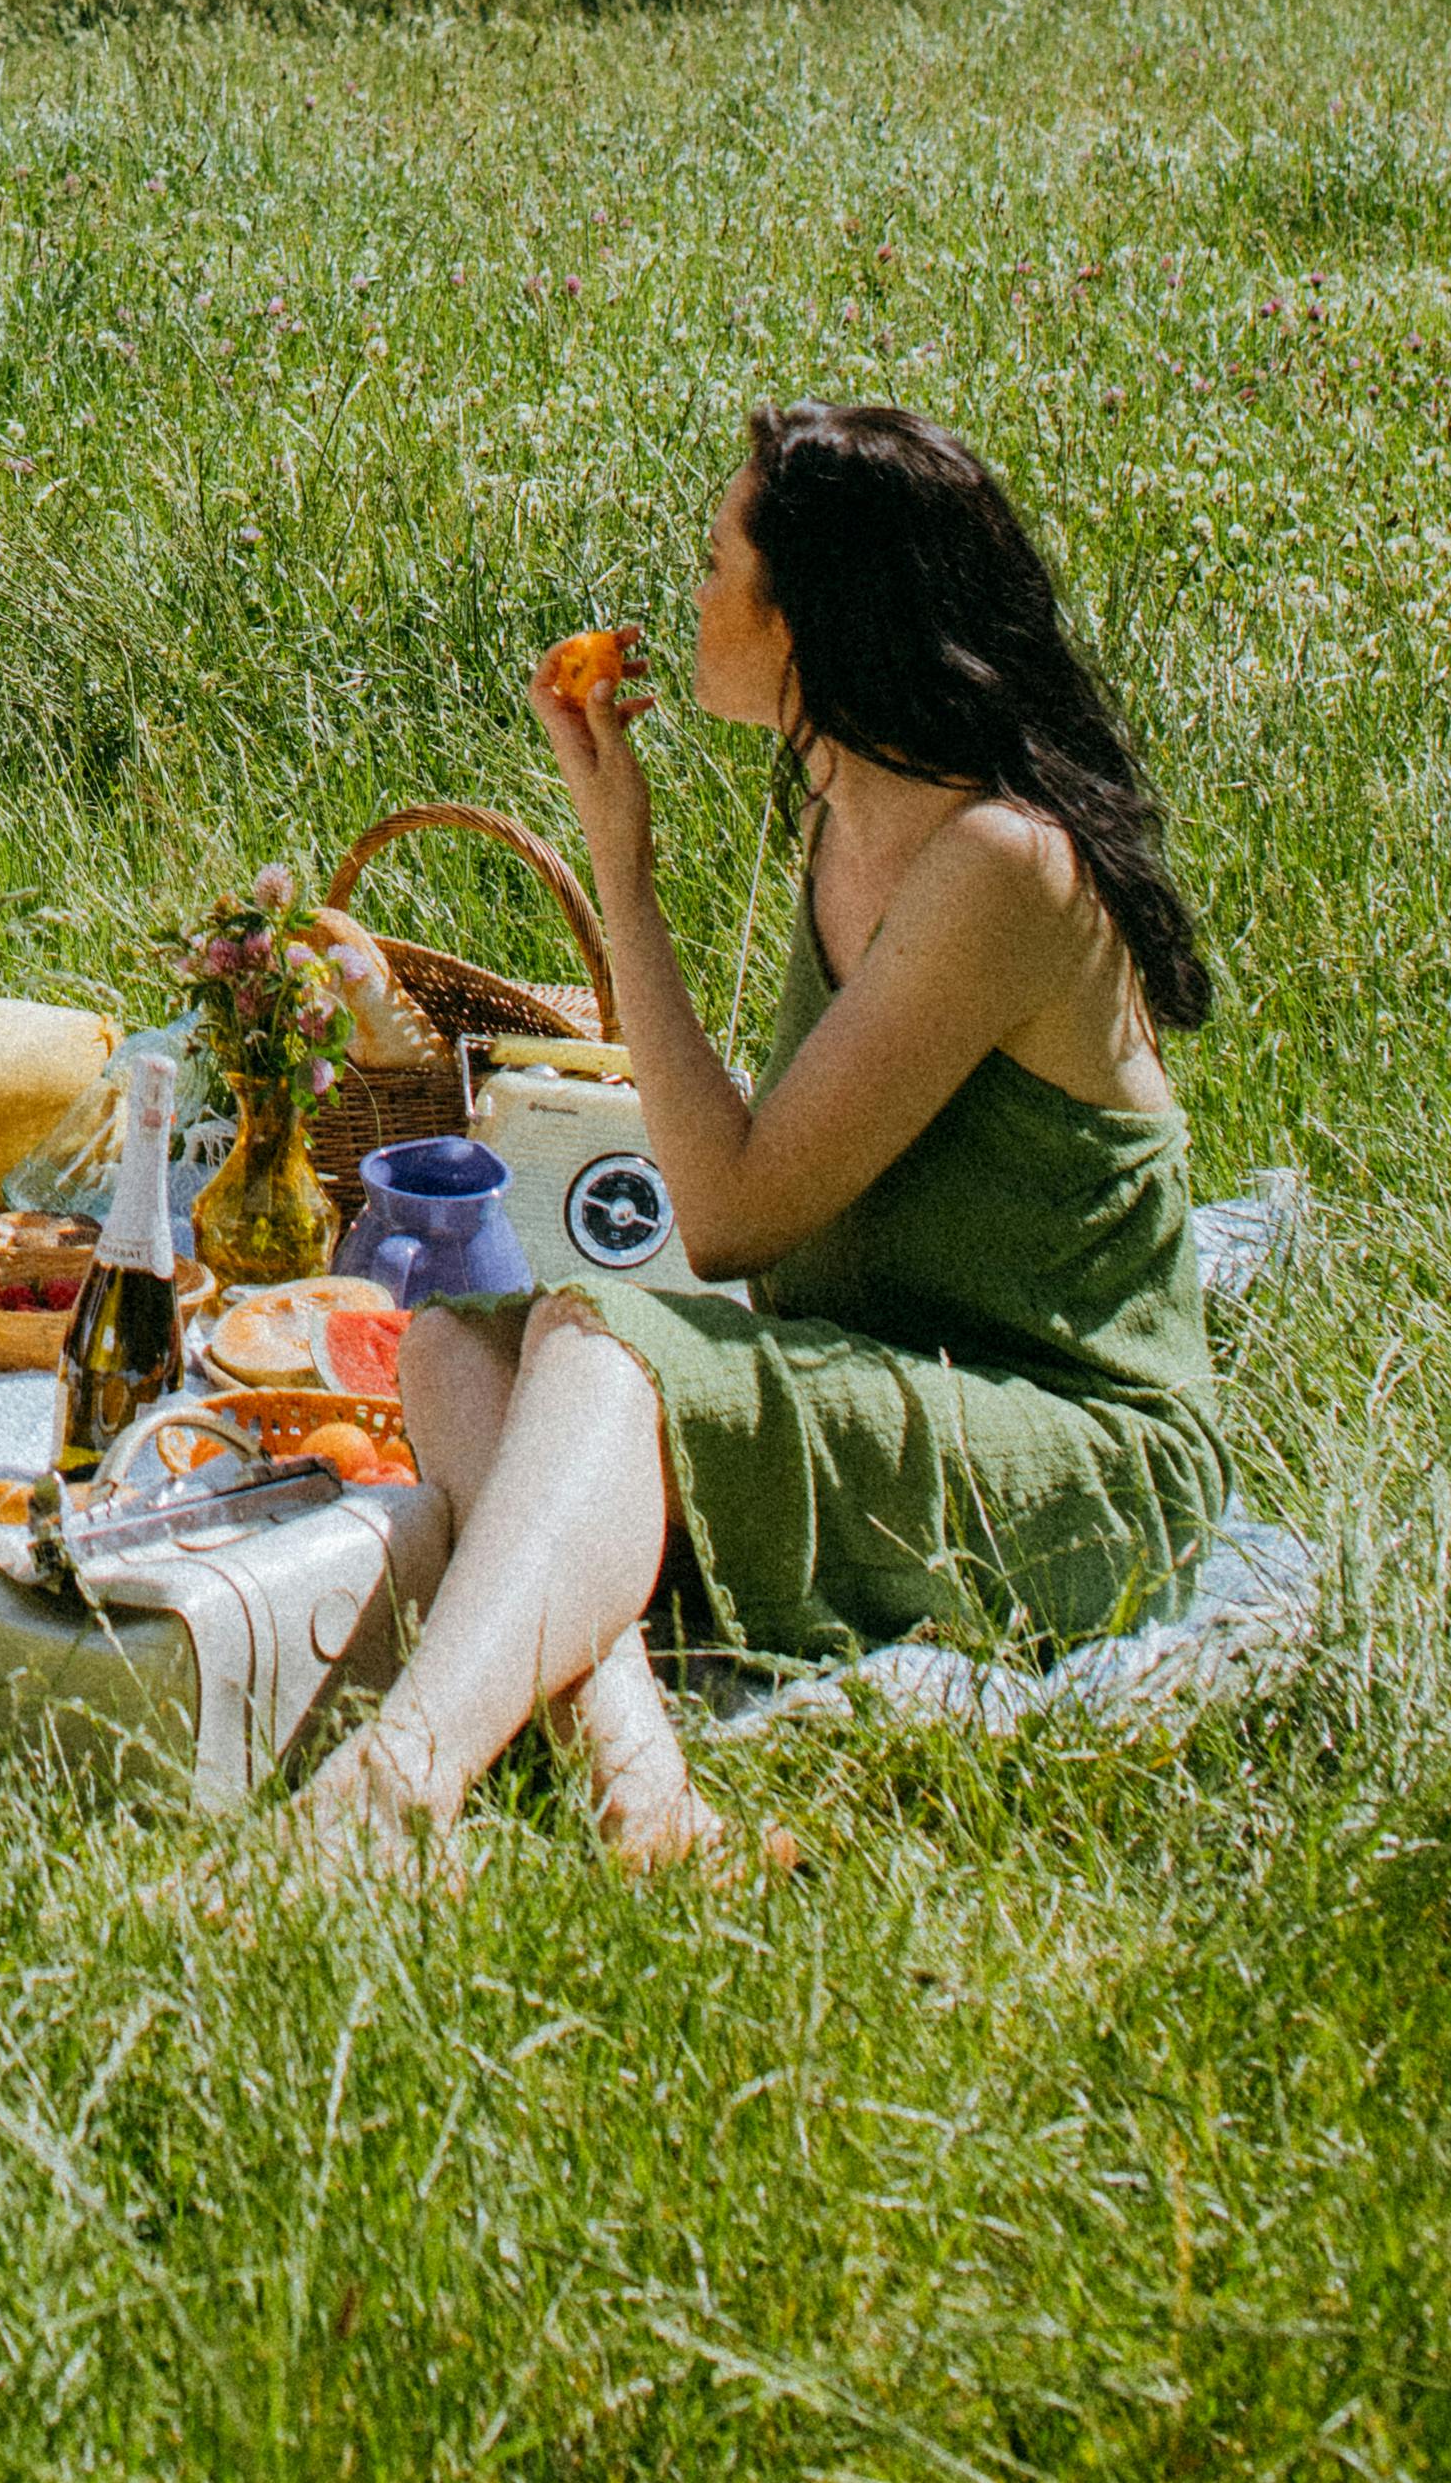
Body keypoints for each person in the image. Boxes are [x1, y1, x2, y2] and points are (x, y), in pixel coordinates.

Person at [312, 399, 1225, 1873]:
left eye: (720, 563)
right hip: (888, 1368)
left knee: (599, 1342)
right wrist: (619, 846)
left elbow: (728, 1220)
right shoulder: (839, 807)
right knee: (453, 1346)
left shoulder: (999, 865)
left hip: (1075, 1449)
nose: (689, 596)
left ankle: (397, 1785)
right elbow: (732, 1186)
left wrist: (624, 871)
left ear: (811, 624)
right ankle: (641, 1795)